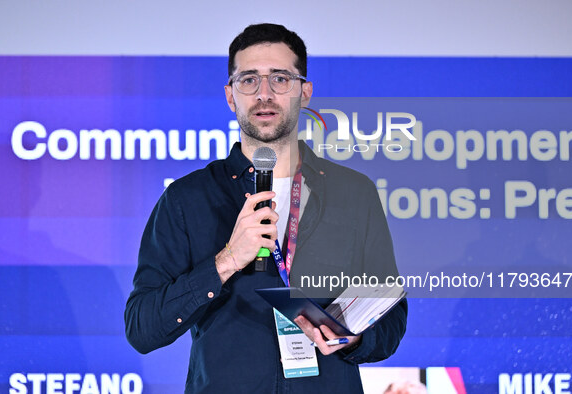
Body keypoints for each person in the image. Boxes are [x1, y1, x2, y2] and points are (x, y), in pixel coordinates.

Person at [125, 23, 408, 393]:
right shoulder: (186, 199)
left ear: (304, 93)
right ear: (231, 96)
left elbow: (390, 316)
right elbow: (142, 329)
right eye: (248, 80)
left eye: (280, 79)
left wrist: (352, 338)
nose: (264, 94)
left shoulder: (353, 192)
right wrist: (226, 260)